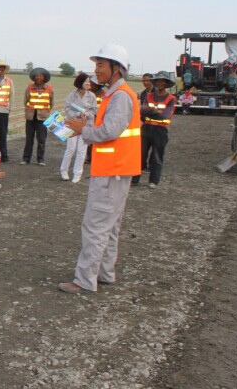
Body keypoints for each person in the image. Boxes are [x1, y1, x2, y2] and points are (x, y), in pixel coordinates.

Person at [59, 43, 141, 294]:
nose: (96, 70)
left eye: (101, 65)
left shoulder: (120, 96)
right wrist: (84, 126)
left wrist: (84, 130)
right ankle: (104, 273)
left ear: (117, 68)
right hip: (115, 170)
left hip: (111, 171)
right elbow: (108, 128)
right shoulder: (115, 95)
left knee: (95, 227)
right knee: (109, 226)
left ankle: (85, 280)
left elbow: (109, 132)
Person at [132, 71, 176, 189]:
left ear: (166, 83)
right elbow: (142, 111)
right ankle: (135, 178)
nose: (160, 83)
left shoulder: (171, 98)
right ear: (155, 83)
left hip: (160, 130)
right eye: (158, 81)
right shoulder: (149, 96)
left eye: (163, 81)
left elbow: (165, 115)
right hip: (146, 128)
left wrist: (150, 111)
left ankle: (153, 181)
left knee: (157, 156)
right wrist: (156, 112)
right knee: (140, 154)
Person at [59, 73, 97, 183]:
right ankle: (64, 170)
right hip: (72, 124)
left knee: (82, 150)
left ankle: (77, 173)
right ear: (80, 82)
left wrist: (87, 114)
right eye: (86, 81)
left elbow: (94, 110)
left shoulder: (92, 96)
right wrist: (78, 114)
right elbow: (67, 108)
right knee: (70, 148)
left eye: (89, 81)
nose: (88, 83)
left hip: (86, 125)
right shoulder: (72, 95)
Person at [21, 67, 54, 166]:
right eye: (37, 76)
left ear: (44, 78)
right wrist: (29, 110)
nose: (39, 78)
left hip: (43, 117)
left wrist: (45, 111)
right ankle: (26, 159)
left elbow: (51, 103)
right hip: (31, 117)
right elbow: (26, 101)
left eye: (41, 76)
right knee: (29, 139)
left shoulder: (49, 89)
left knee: (41, 140)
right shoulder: (29, 88)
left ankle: (40, 159)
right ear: (34, 78)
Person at [138, 73, 154, 171]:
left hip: (156, 124)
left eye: (148, 80)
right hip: (145, 123)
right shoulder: (143, 93)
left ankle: (152, 166)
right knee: (143, 147)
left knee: (155, 147)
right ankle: (142, 165)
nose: (146, 82)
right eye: (144, 80)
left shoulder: (157, 92)